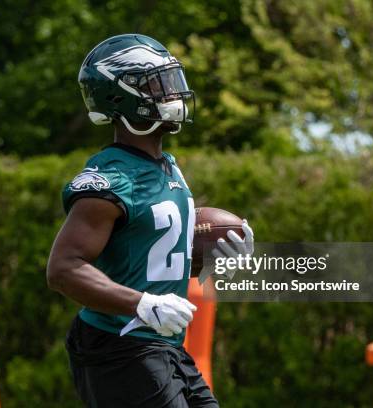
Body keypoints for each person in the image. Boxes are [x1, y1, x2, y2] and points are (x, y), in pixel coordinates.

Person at [47, 34, 253, 407]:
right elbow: (63, 269)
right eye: (158, 84)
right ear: (121, 97)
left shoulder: (167, 167)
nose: (173, 93)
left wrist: (213, 257)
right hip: (119, 346)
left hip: (161, 345)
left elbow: (151, 261)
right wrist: (141, 303)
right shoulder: (110, 180)